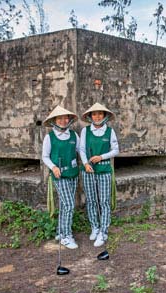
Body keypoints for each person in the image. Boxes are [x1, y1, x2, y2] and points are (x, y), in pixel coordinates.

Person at [79, 103, 119, 247]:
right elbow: (81, 149)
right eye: (94, 114)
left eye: (100, 114)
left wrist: (101, 157)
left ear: (104, 116)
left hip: (104, 170)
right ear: (90, 117)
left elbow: (115, 150)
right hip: (88, 170)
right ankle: (95, 227)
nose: (97, 117)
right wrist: (86, 163)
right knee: (91, 200)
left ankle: (104, 231)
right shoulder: (85, 131)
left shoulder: (109, 131)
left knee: (104, 201)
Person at [42, 106, 80, 249]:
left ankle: (60, 230)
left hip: (73, 174)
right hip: (60, 175)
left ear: (69, 120)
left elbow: (80, 150)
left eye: (65, 118)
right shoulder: (49, 137)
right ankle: (66, 236)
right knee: (70, 205)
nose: (63, 121)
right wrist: (53, 167)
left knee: (65, 205)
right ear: (54, 121)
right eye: (60, 118)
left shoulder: (73, 135)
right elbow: (45, 156)